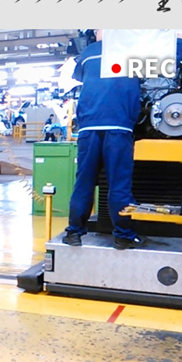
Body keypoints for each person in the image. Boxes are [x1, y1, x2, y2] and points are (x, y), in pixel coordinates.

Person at [62, 29, 144, 250]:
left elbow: (81, 77)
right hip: (119, 126)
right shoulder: (133, 52)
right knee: (119, 185)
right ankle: (123, 236)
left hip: (89, 128)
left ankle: (74, 232)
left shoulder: (88, 53)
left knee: (84, 183)